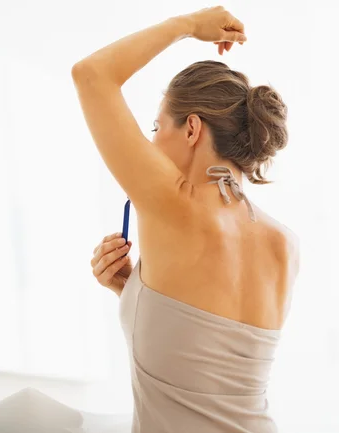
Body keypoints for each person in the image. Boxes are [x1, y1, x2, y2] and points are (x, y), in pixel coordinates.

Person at [73, 6, 299, 433]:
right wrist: (133, 288)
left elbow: (91, 75)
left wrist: (189, 26)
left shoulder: (174, 202)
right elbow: (212, 367)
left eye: (157, 128)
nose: (152, 142)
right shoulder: (285, 243)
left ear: (192, 129)